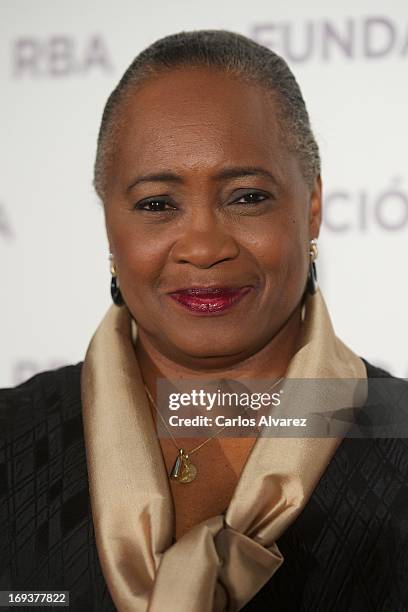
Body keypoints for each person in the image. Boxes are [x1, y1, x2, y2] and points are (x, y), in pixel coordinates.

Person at [1, 30, 407, 612]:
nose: (203, 245)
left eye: (246, 197)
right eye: (157, 204)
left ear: (312, 206)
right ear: (109, 223)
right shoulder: (11, 443)